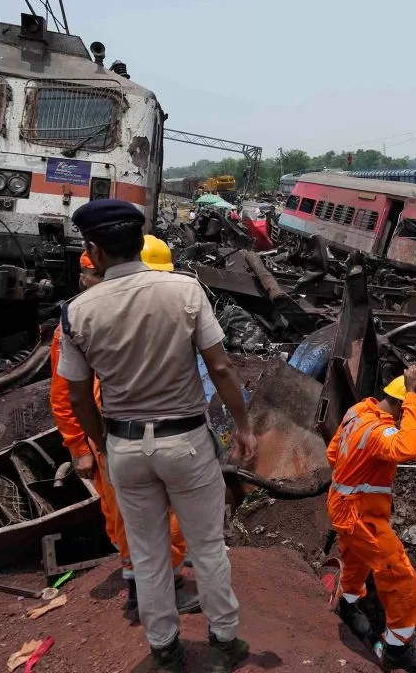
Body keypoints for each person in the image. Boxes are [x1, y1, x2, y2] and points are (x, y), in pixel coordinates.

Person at [58, 199, 257, 672]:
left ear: (95, 252)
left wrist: (100, 443)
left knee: (146, 555)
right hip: (186, 441)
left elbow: (80, 396)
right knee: (207, 546)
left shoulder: (77, 313)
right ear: (140, 245)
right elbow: (221, 367)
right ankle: (225, 642)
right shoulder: (185, 292)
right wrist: (244, 426)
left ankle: (165, 649)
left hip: (125, 446)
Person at [49, 245, 197, 622]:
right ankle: (155, 594)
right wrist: (80, 447)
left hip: (136, 434)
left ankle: (144, 588)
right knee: (148, 518)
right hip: (117, 437)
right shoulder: (79, 322)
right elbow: (66, 396)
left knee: (134, 518)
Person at [327, 367, 416, 672]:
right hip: (360, 515)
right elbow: (407, 447)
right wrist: (414, 399)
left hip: (343, 505)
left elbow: (333, 453)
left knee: (356, 560)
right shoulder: (378, 432)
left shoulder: (358, 411)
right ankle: (396, 650)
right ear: (402, 405)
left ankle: (347, 607)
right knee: (399, 577)